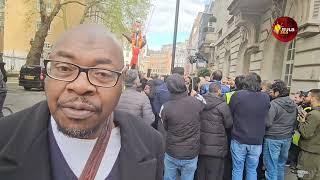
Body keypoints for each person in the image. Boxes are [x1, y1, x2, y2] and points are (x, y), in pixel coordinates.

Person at [0, 24, 164, 180]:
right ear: (47, 75)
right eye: (64, 68)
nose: (80, 86)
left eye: (102, 73)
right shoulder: (5, 137)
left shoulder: (151, 143)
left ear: (121, 83)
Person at [160, 74, 204, 180]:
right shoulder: (196, 102)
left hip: (172, 151)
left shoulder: (165, 107)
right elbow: (205, 103)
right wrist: (195, 94)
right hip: (191, 152)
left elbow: (165, 127)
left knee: (169, 177)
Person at [229, 73, 270, 180]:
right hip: (256, 139)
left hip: (239, 138)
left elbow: (230, 113)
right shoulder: (265, 97)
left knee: (237, 169)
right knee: (252, 169)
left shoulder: (238, 95)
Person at [197, 82, 233, 180]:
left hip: (201, 144)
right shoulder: (223, 105)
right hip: (217, 147)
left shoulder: (200, 102)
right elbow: (229, 124)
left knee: (200, 173)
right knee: (215, 174)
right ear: (219, 91)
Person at [263, 80, 296, 180]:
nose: (271, 93)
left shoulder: (274, 104)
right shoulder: (293, 104)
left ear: (277, 92)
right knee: (280, 165)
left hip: (273, 138)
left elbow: (267, 122)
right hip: (287, 138)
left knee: (271, 166)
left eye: (272, 91)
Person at [297, 89, 320, 180]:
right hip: (316, 153)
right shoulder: (314, 114)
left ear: (313, 98)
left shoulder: (314, 114)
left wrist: (302, 122)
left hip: (309, 154)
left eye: (308, 96)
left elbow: (306, 133)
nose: (305, 98)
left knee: (304, 177)